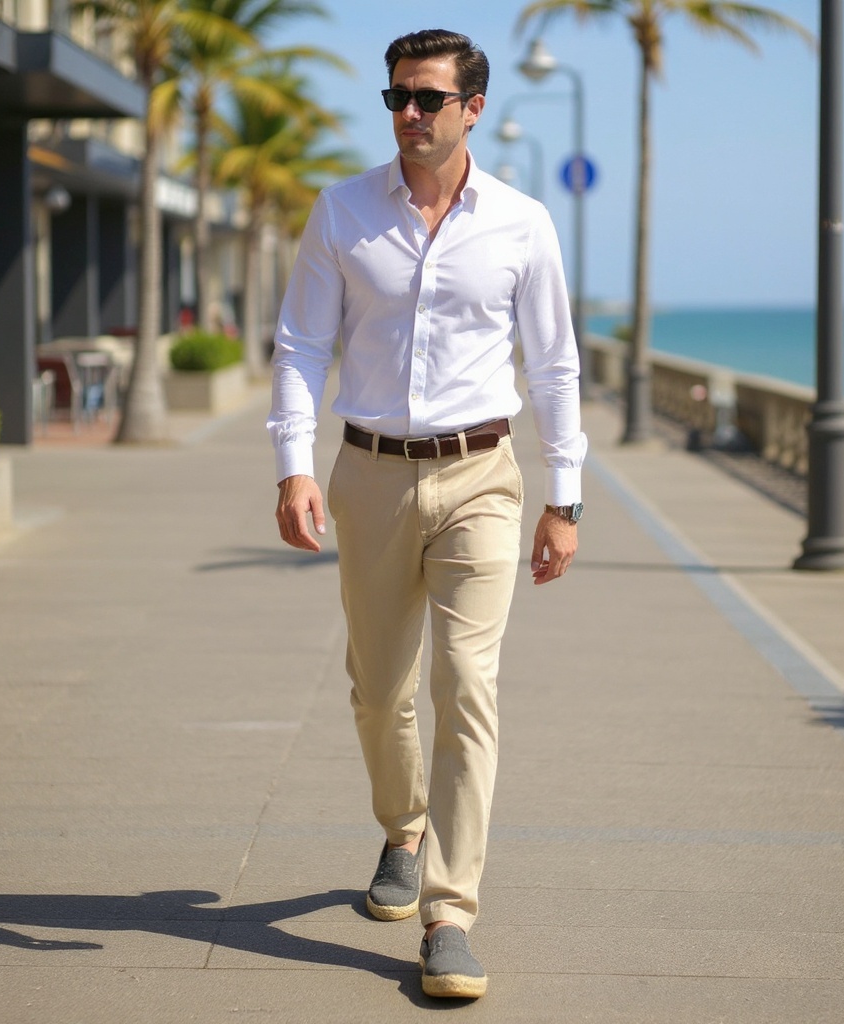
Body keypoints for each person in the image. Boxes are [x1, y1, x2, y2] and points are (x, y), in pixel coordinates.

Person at [267, 27, 586, 1000]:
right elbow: (297, 346)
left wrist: (564, 494)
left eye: (428, 99)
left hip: (482, 473)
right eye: (397, 96)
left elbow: (556, 364)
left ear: (471, 109)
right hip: (367, 472)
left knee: (466, 682)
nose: (409, 113)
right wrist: (293, 467)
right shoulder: (343, 212)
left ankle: (449, 911)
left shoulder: (524, 223)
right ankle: (401, 826)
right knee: (377, 687)